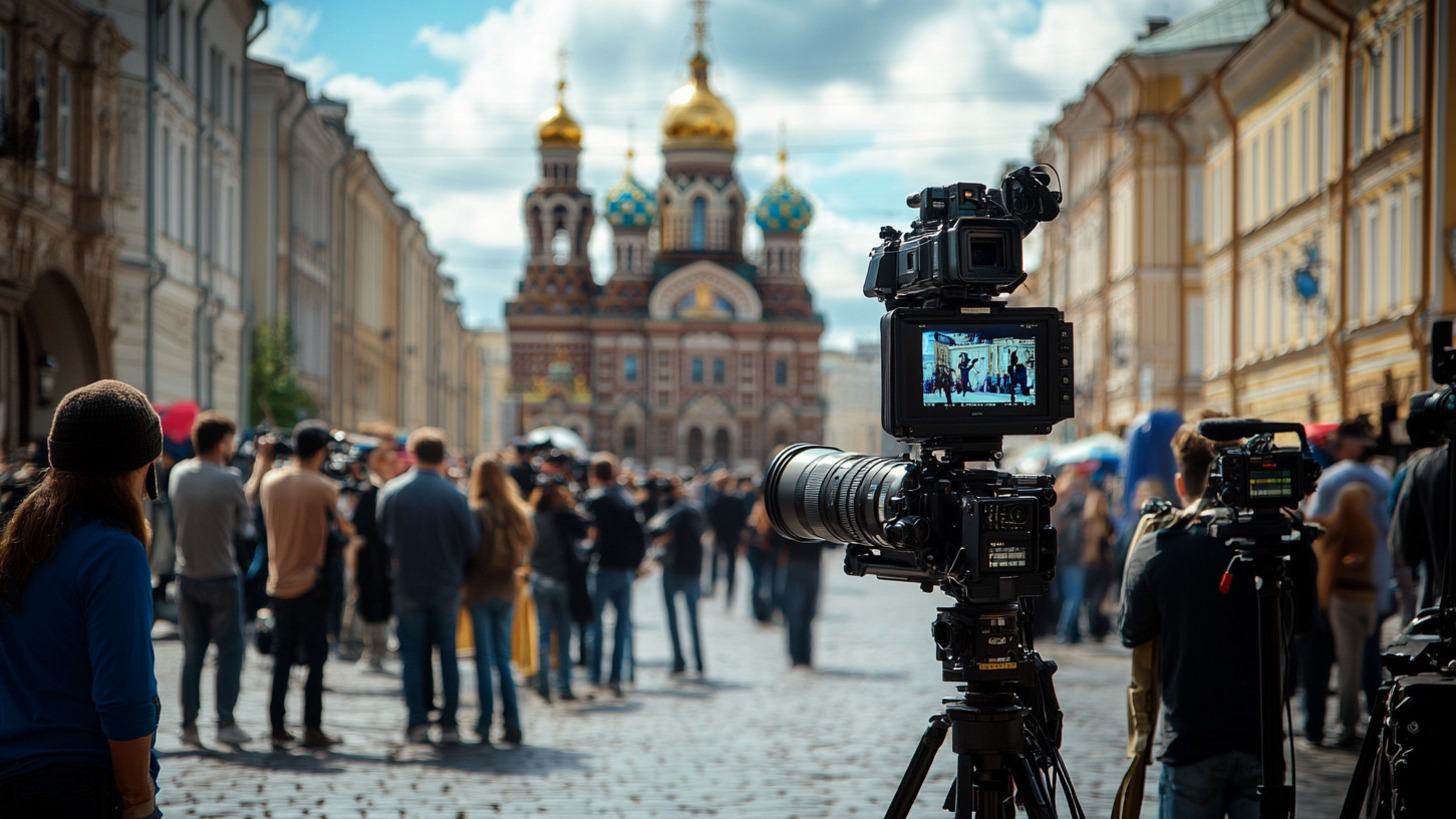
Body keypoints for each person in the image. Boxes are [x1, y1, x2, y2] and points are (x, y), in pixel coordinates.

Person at [1120, 417, 1316, 818]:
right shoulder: (1287, 544)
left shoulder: (1160, 548)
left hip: (1190, 744)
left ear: (1181, 483)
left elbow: (1132, 630)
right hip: (1261, 744)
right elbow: (1306, 622)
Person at [0, 380, 164, 818]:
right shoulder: (114, 551)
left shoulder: (21, 539)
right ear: (142, 464)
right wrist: (138, 799)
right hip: (76, 785)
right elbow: (125, 697)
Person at [377, 427, 480, 744]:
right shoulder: (455, 496)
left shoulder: (393, 492)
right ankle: (449, 723)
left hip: (408, 582)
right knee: (447, 654)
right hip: (446, 583)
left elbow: (383, 537)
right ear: (442, 455)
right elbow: (472, 542)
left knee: (412, 654)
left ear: (413, 454)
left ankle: (417, 720)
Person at [259, 420, 351, 750]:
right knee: (315, 658)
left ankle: (276, 726)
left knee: (282, 656)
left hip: (278, 579)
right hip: (312, 582)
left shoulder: (270, 480)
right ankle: (312, 727)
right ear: (322, 450)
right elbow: (346, 528)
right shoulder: (325, 486)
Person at [1301, 417, 1393, 745]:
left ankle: (1317, 725)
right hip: (1371, 583)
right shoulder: (1382, 481)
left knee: (1324, 658)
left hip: (1333, 584)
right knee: (1365, 657)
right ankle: (1368, 725)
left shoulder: (1332, 479)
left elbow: (1316, 532)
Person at [168, 410, 256, 749]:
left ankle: (189, 726)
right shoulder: (230, 478)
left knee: (193, 653)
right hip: (221, 575)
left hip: (186, 573)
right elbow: (244, 527)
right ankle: (225, 722)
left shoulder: (178, 474)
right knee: (230, 652)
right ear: (222, 442)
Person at [464, 455, 534, 744]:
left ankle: (484, 722)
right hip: (507, 588)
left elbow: (469, 550)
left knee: (484, 659)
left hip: (479, 588)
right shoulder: (517, 510)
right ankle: (512, 722)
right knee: (504, 659)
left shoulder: (476, 511)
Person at [1310, 483, 1379, 748]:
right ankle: (1348, 723)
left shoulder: (1339, 527)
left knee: (1349, 665)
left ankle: (1347, 723)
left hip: (1346, 601)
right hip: (1362, 601)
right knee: (1352, 665)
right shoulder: (1361, 529)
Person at [583, 453, 646, 696]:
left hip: (602, 566)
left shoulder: (594, 499)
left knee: (596, 625)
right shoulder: (627, 499)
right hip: (625, 570)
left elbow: (591, 536)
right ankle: (616, 677)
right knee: (622, 626)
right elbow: (640, 536)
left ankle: (595, 675)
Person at [528, 476, 588, 701]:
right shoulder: (565, 518)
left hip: (538, 578)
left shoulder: (532, 518)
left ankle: (542, 683)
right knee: (564, 636)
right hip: (562, 580)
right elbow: (583, 534)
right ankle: (564, 685)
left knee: (543, 633)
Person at [350, 442, 402, 673]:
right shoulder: (371, 490)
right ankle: (372, 651)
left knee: (378, 605)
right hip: (372, 558)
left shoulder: (382, 489)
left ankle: (376, 651)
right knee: (371, 604)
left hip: (380, 558)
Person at [650, 476, 707, 676]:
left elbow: (658, 533)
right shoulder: (694, 508)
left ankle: (679, 661)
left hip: (674, 568)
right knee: (692, 618)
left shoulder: (675, 511)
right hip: (692, 568)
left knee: (673, 619)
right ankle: (699, 661)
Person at [780, 536, 834, 668]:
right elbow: (831, 543)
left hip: (800, 562)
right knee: (802, 614)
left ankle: (800, 656)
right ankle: (801, 657)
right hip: (805, 563)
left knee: (800, 614)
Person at [706, 472, 746, 608]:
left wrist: (712, 532)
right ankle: (729, 593)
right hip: (732, 535)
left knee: (714, 562)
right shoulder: (737, 500)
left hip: (719, 535)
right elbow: (742, 521)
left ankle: (712, 588)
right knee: (731, 565)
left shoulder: (714, 500)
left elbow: (710, 518)